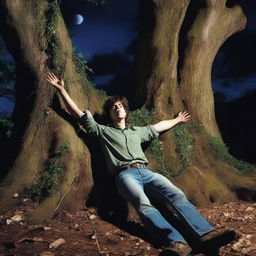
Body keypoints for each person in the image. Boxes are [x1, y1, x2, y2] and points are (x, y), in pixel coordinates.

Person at [47, 72, 236, 256]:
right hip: (125, 175)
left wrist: (177, 120)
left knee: (176, 194)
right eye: (114, 107)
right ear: (110, 113)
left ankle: (205, 234)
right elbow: (79, 115)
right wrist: (62, 90)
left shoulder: (137, 131)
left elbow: (158, 127)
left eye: (120, 105)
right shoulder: (103, 131)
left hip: (147, 172)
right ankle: (176, 243)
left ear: (125, 110)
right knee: (143, 204)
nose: (117, 108)